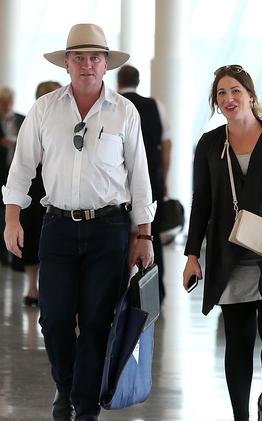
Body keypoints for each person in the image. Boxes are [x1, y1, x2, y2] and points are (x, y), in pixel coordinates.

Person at [2, 23, 155, 421]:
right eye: (79, 58)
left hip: (110, 230)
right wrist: (12, 217)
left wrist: (144, 235)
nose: (87, 64)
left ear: (105, 64)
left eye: (95, 57)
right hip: (58, 228)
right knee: (52, 317)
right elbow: (21, 169)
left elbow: (140, 178)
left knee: (95, 322)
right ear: (67, 64)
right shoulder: (45, 109)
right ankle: (66, 387)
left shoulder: (125, 112)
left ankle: (84, 408)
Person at [183, 65, 262, 421]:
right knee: (237, 341)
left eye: (235, 90)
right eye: (221, 93)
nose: (229, 98)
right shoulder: (210, 144)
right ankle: (240, 416)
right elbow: (201, 201)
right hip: (230, 255)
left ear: (251, 95)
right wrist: (192, 254)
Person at [117, 64, 172, 302]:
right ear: (139, 81)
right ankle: (155, 288)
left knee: (119, 235)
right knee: (151, 234)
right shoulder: (155, 105)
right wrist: (164, 176)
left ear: (118, 81)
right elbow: (167, 144)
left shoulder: (113, 105)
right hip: (151, 179)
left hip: (119, 182)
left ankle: (120, 287)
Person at [18, 81, 62, 307]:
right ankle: (33, 287)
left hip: (50, 187)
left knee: (41, 236)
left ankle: (36, 287)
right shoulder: (34, 120)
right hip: (36, 187)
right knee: (34, 235)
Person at [0, 87, 25, 265]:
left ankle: (10, 254)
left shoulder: (22, 119)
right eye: (4, 101)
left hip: (15, 170)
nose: (7, 104)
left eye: (9, 100)